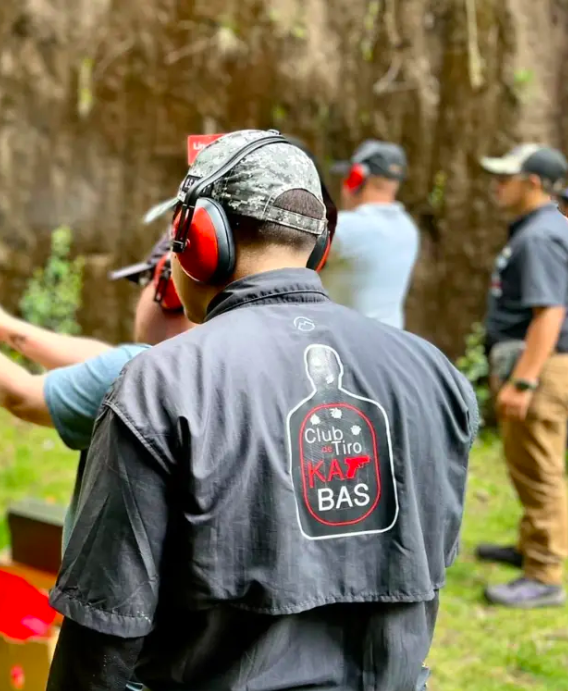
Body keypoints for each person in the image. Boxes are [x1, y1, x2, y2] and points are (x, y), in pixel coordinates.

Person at [45, 129, 479, 691]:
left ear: (196, 237)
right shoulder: (438, 374)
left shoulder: (160, 384)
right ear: (320, 245)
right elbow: (430, 562)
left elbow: (102, 629)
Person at [0, 236, 193, 551]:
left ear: (167, 284)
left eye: (142, 281)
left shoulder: (141, 373)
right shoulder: (209, 367)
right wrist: (7, 327)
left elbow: (18, 394)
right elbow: (101, 359)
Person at [476, 143, 568, 608]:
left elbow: (550, 314)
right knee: (528, 465)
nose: (497, 185)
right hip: (536, 363)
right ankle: (531, 548)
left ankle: (546, 574)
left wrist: (525, 381)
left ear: (533, 183)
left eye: (505, 177)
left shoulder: (539, 237)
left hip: (541, 368)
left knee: (541, 470)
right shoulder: (540, 229)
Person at [319, 139, 420, 329]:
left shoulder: (347, 229)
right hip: (390, 348)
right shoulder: (408, 229)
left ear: (356, 178)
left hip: (346, 349)